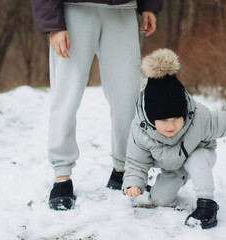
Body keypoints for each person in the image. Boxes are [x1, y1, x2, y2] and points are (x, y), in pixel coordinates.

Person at [30, 0, 162, 211]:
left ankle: (125, 168)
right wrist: (53, 24)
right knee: (67, 95)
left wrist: (149, 5)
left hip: (122, 10)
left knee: (127, 96)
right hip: (74, 10)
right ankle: (62, 176)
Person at [122, 48, 226, 229]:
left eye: (176, 119)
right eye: (164, 120)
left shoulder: (199, 118)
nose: (171, 126)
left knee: (198, 158)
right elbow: (136, 162)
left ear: (184, 113)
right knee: (160, 199)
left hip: (199, 155)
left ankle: (207, 206)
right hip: (173, 168)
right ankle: (164, 186)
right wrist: (133, 183)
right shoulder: (141, 131)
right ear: (151, 118)